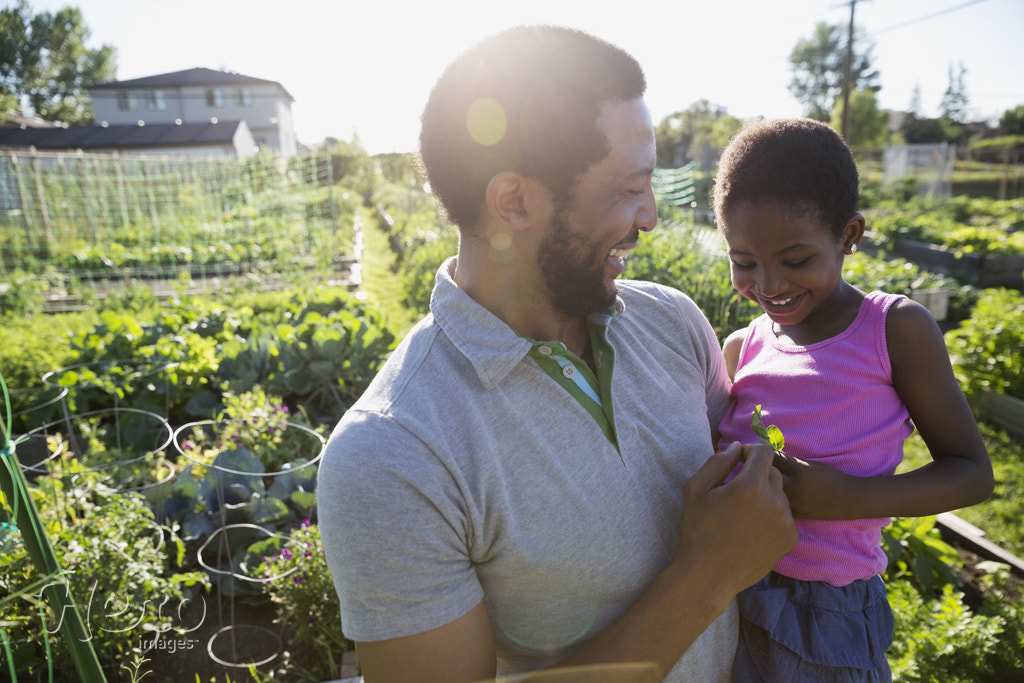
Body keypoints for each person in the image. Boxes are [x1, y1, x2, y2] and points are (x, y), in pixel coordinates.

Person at [316, 25, 796, 683]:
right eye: (631, 187)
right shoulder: (393, 456)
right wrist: (707, 577)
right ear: (514, 201)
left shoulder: (674, 323)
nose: (651, 216)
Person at [713, 117, 994, 682]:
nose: (767, 285)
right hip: (728, 592)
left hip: (828, 611)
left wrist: (848, 497)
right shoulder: (743, 347)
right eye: (744, 262)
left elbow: (972, 474)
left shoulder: (892, 330)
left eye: (795, 260)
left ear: (848, 235)